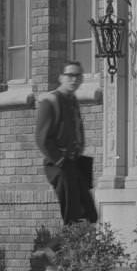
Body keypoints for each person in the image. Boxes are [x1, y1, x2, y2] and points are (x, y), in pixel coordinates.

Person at [35, 61, 97, 225]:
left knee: (90, 214)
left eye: (78, 75)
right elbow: (42, 138)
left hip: (75, 163)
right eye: (70, 75)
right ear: (61, 77)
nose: (74, 79)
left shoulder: (72, 100)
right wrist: (61, 160)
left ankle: (71, 248)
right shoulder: (50, 101)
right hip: (60, 164)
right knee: (72, 217)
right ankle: (50, 251)